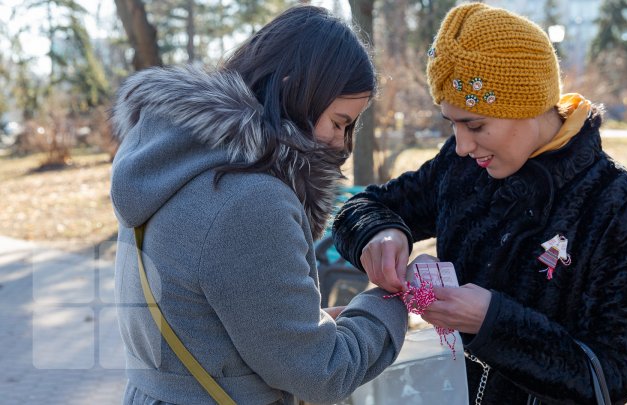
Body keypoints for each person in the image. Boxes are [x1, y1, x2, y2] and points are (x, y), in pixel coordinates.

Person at [332, 3, 627, 404]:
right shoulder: (460, 165)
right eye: (451, 123)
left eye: (475, 125)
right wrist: (379, 232)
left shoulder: (616, 204)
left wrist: (493, 323)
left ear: (528, 106)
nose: (463, 144)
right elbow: (362, 207)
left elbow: (613, 374)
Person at [110, 5, 408, 405]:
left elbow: (209, 324)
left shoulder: (171, 164)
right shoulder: (249, 201)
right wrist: (392, 304)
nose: (341, 144)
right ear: (292, 88)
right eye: (339, 122)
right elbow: (321, 373)